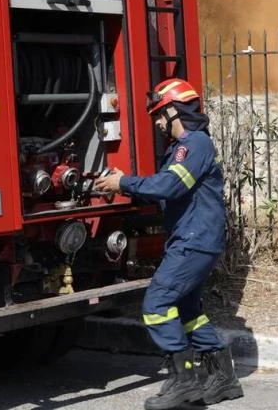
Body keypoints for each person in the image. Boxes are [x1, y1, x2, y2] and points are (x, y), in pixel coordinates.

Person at [94, 77, 243, 410]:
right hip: (195, 239)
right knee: (188, 310)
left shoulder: (195, 145)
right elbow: (166, 187)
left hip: (195, 240)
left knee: (157, 303)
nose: (159, 122)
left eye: (161, 113)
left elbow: (169, 186)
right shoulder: (184, 149)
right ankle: (224, 378)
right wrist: (125, 183)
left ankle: (184, 379)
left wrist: (123, 182)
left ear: (176, 111)